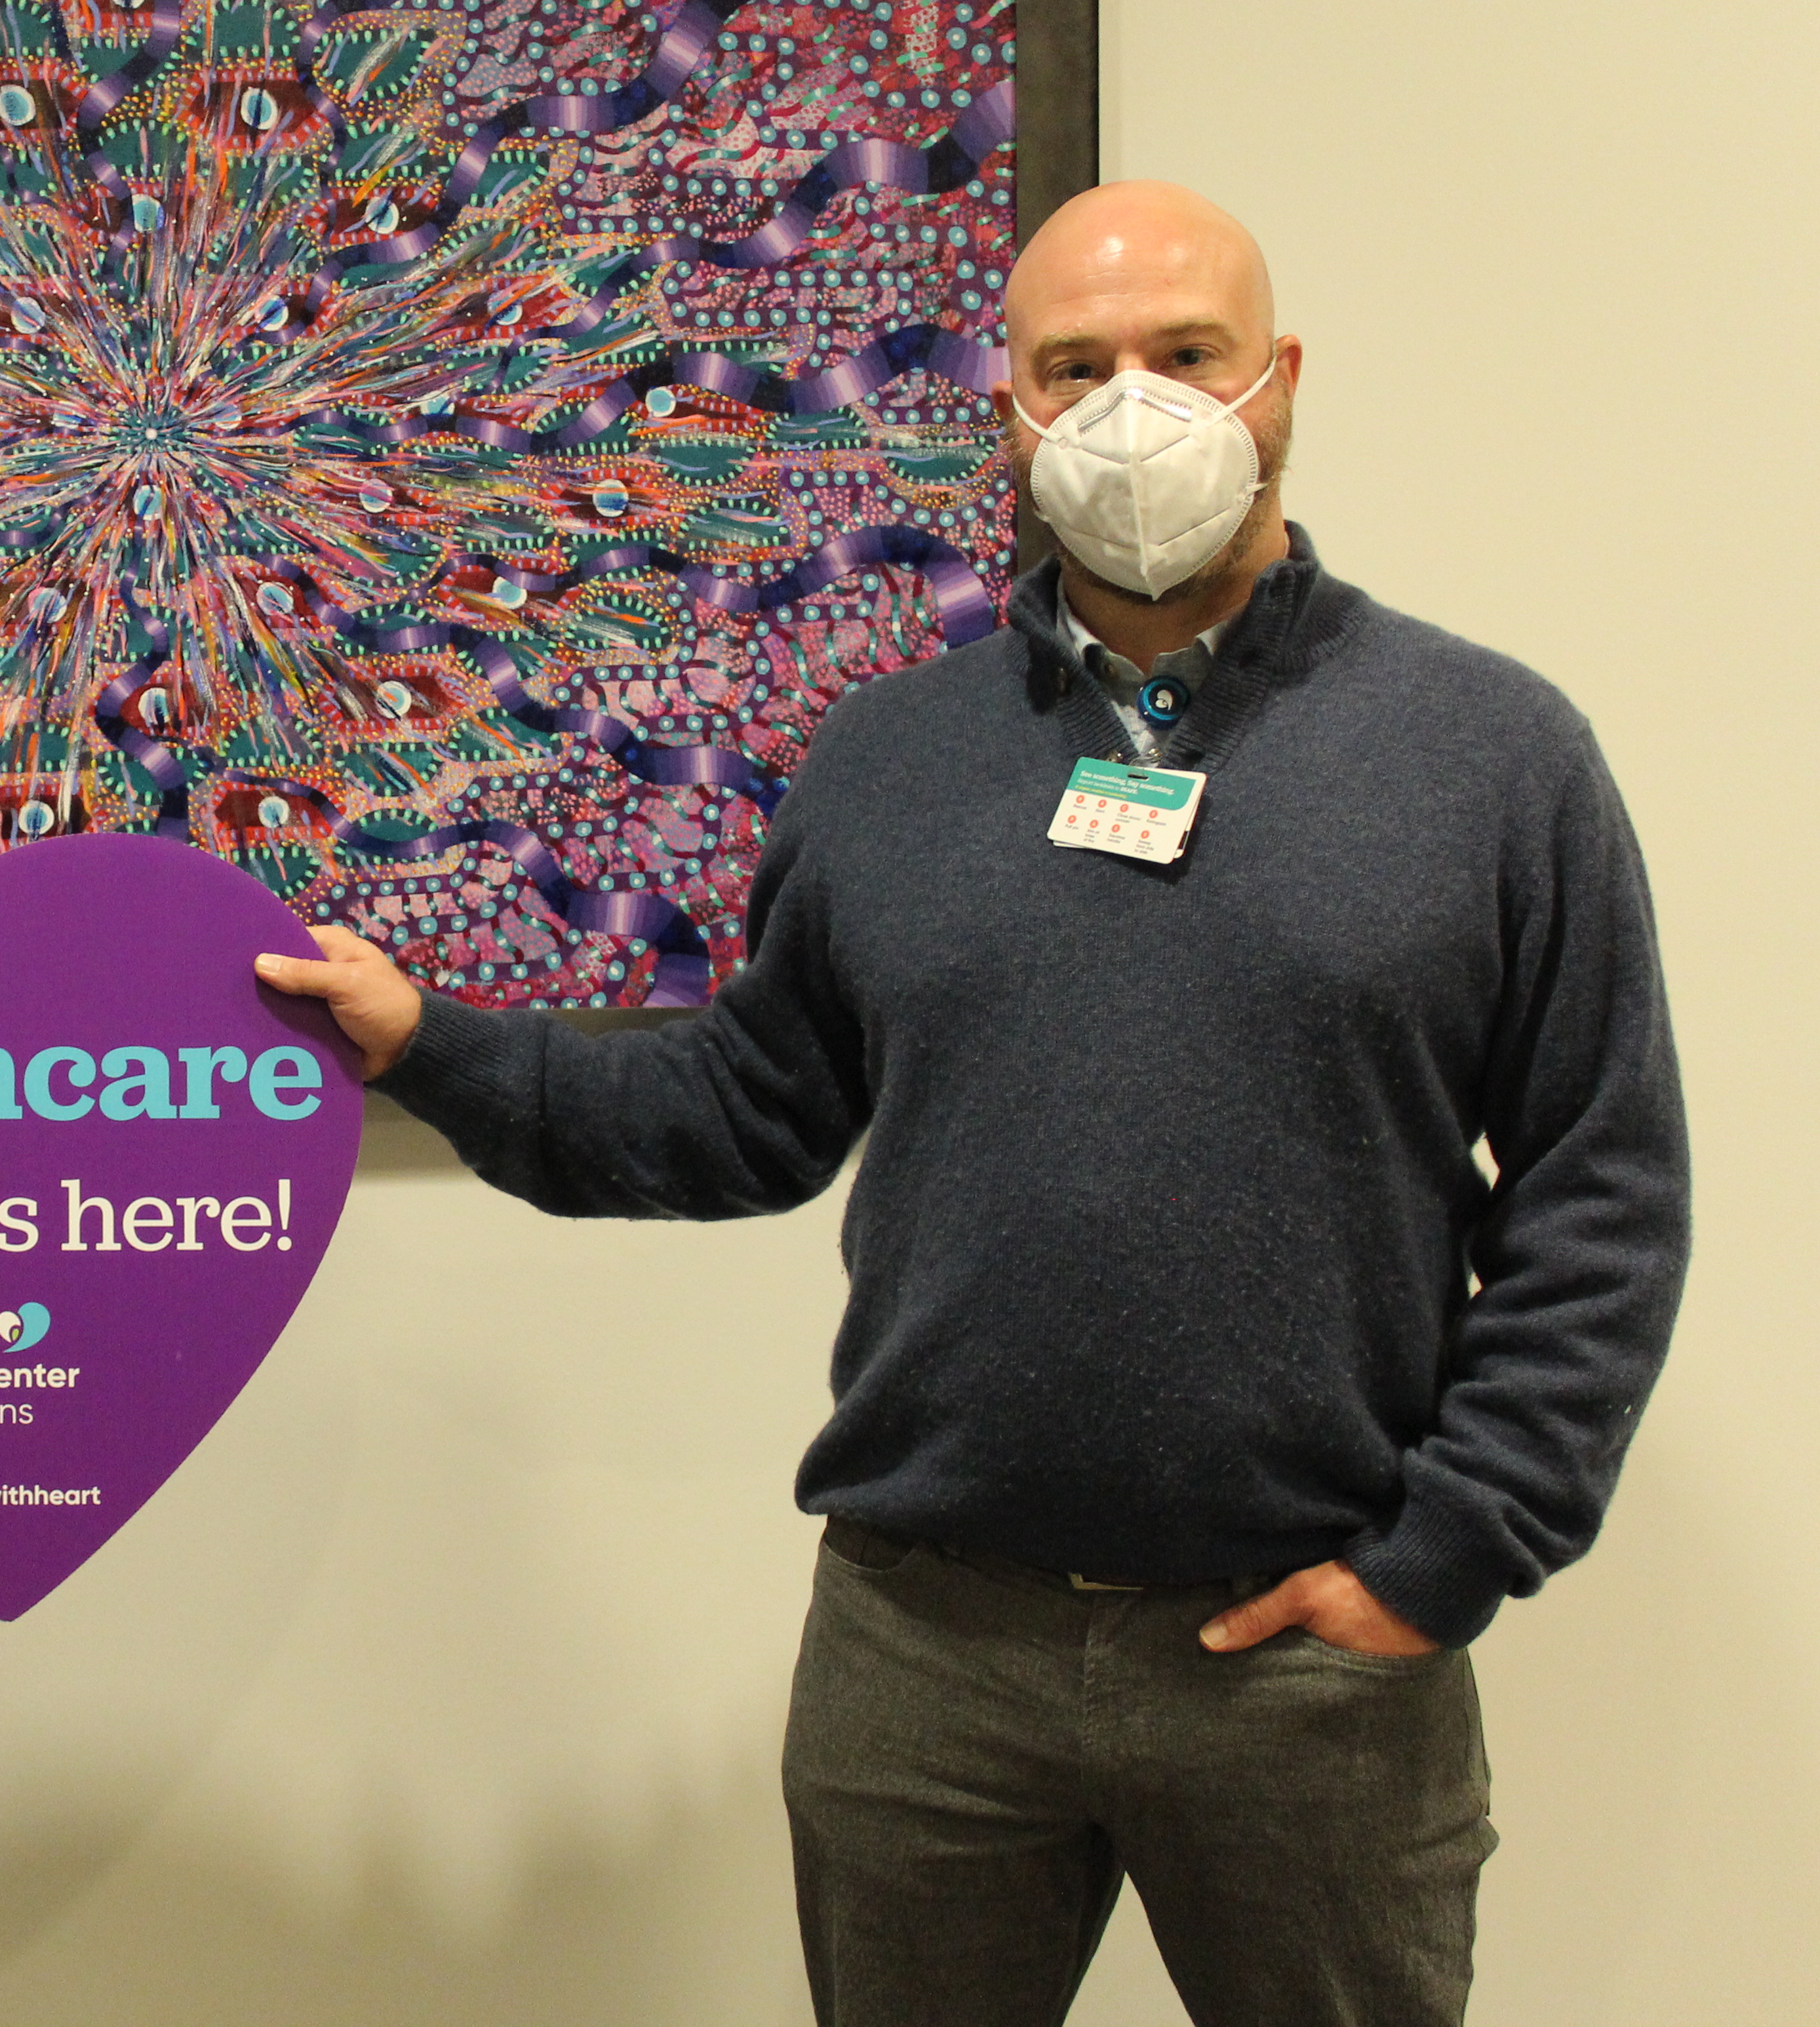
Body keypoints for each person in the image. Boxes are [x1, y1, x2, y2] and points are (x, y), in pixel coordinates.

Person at [258, 182, 1688, 2026]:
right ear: (1007, 409)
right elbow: (747, 1110)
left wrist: (1447, 1556)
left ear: (1284, 381)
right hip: (925, 1657)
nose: (1132, 408)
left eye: (1187, 356)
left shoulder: (1491, 755)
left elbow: (1602, 1187)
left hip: (1306, 1663)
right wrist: (433, 1045)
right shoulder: (893, 759)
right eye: (1073, 367)